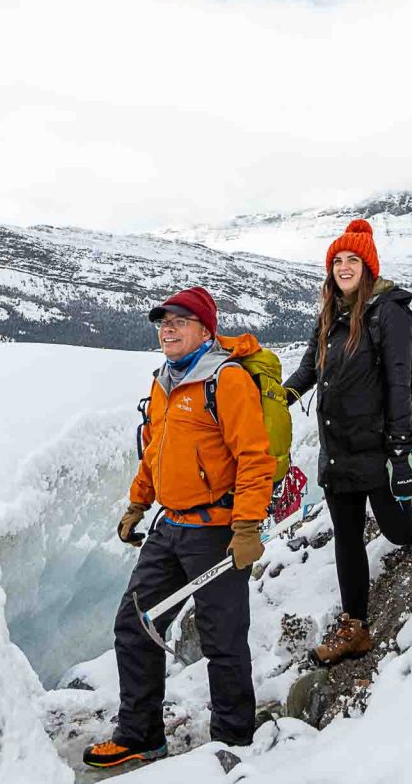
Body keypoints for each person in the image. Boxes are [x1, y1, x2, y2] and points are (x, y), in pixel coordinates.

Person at [284, 220, 412, 666]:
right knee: (347, 538)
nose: (343, 268)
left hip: (379, 446)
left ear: (368, 266)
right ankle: (354, 627)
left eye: (351, 260)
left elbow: (399, 385)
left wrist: (400, 452)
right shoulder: (330, 316)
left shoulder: (387, 314)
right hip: (337, 448)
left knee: (397, 529)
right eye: (337, 261)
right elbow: (308, 371)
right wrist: (277, 397)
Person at [86, 286, 276, 770]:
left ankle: (233, 746)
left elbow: (255, 458)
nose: (166, 329)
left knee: (223, 640)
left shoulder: (225, 381)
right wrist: (137, 503)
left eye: (179, 321)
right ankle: (141, 735)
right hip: (168, 526)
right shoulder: (163, 381)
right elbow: (154, 452)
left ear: (205, 330)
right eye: (162, 321)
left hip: (215, 530)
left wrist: (248, 525)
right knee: (135, 626)